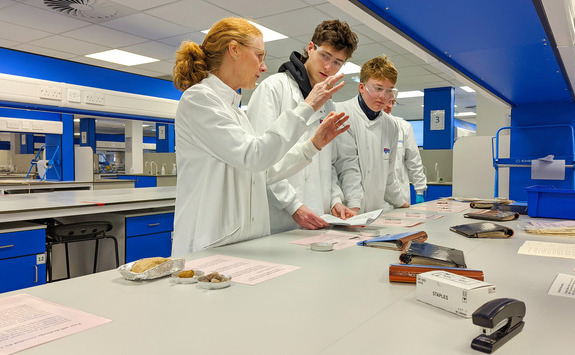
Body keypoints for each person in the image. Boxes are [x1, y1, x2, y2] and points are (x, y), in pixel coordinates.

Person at [171, 18, 350, 254]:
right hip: (210, 242)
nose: (264, 67)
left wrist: (312, 146)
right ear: (234, 50)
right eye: (259, 56)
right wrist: (307, 107)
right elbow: (253, 156)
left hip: (240, 243)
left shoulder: (234, 111)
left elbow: (264, 172)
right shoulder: (199, 100)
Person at [247, 20, 362, 234]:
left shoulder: (328, 104)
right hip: (279, 219)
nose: (329, 67)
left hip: (317, 216)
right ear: (311, 49)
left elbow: (327, 163)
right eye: (325, 56)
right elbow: (260, 161)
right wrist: (294, 206)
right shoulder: (273, 88)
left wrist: (335, 199)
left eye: (337, 62)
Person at [335, 55, 409, 212]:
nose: (384, 97)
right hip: (346, 210)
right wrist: (354, 206)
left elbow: (388, 175)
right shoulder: (342, 113)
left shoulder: (391, 125)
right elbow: (347, 166)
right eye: (378, 88)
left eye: (390, 91)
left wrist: (401, 202)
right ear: (362, 87)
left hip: (375, 211)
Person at [383, 99, 427, 204]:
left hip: (400, 194)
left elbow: (414, 161)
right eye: (386, 101)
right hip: (373, 197)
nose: (389, 106)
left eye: (392, 102)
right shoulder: (366, 127)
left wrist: (420, 190)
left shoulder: (403, 127)